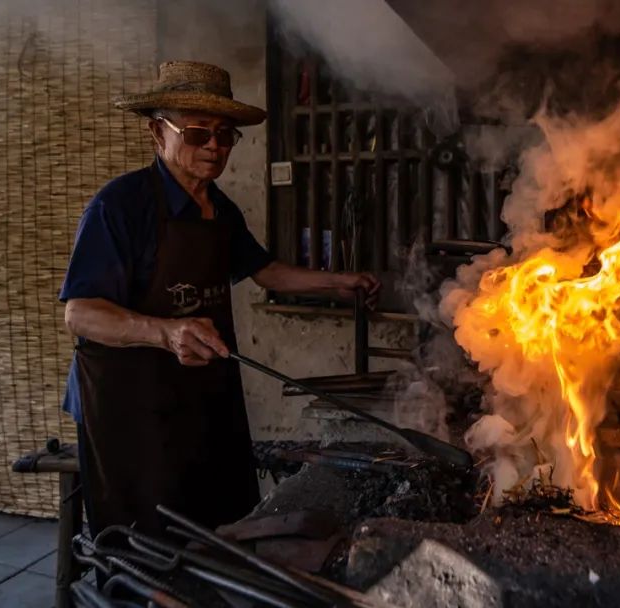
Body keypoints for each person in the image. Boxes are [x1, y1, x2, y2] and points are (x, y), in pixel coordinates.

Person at [58, 61, 379, 538]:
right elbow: (80, 313)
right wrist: (166, 332)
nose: (213, 146)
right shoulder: (120, 206)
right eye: (196, 132)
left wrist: (338, 283)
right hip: (131, 404)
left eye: (225, 135)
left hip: (203, 392)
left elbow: (263, 269)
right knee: (146, 536)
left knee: (218, 521)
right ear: (156, 133)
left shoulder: (220, 208)